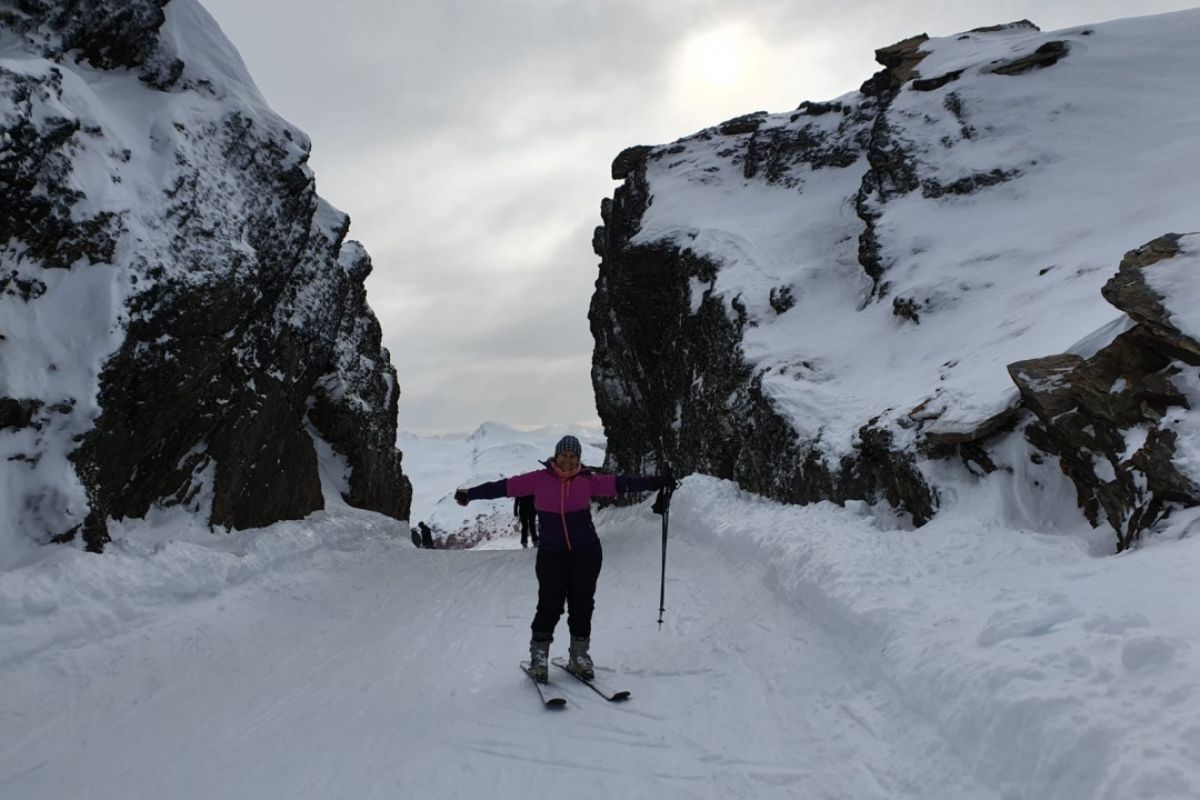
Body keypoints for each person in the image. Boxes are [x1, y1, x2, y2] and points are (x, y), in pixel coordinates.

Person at [455, 434, 670, 682]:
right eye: (564, 455)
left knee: (582, 604)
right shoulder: (537, 480)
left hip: (586, 552)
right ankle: (539, 656)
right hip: (552, 555)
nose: (568, 460)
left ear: (578, 458)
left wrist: (656, 482)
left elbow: (622, 483)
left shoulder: (588, 481)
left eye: (573, 456)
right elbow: (502, 487)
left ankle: (579, 656)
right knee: (550, 605)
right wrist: (470, 494)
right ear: (555, 456)